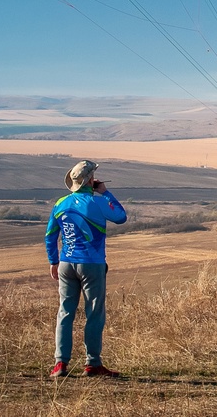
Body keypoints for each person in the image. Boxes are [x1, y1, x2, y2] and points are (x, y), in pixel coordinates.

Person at [46, 159, 128, 377]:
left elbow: (50, 235)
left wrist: (53, 261)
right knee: (94, 314)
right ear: (91, 180)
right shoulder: (98, 202)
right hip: (92, 265)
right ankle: (92, 364)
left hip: (66, 264)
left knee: (65, 313)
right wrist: (106, 192)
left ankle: (60, 364)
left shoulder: (60, 203)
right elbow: (121, 217)